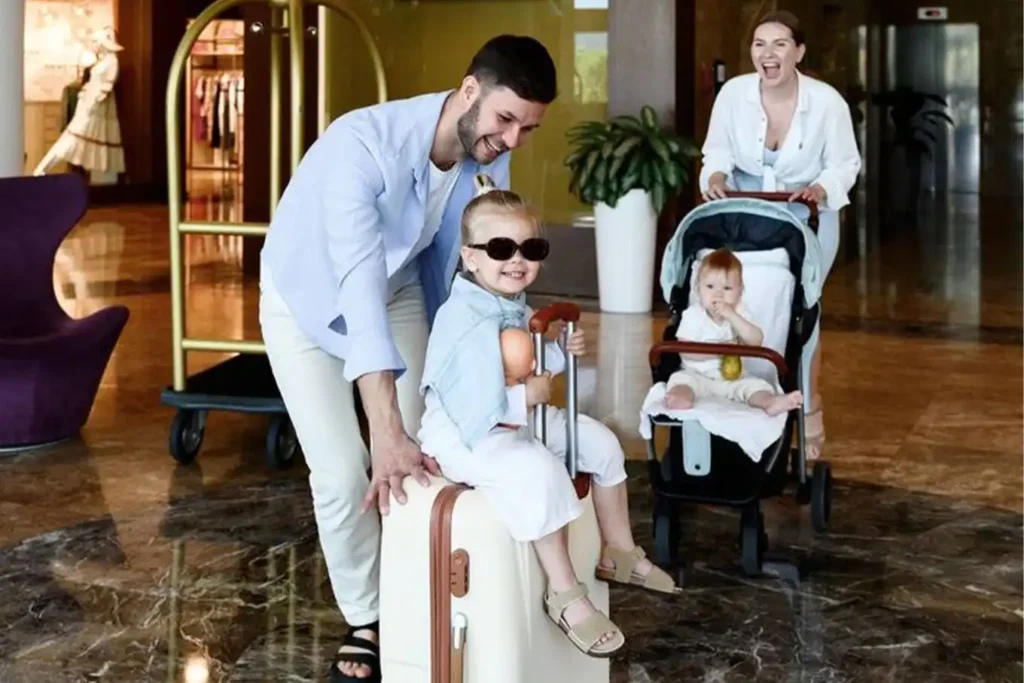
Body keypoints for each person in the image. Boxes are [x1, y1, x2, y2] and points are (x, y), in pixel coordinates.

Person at [258, 36, 557, 683]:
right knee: (345, 470)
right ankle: (368, 616)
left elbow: (464, 271)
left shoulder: (487, 158)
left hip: (395, 289)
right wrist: (385, 428)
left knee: (441, 440)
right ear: (470, 91)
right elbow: (356, 290)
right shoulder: (358, 147)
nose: (511, 140)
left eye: (527, 129)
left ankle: (420, 589)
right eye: (506, 120)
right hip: (306, 299)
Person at [417, 174, 681, 659]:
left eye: (530, 248)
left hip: (514, 419)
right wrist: (526, 399)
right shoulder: (465, 317)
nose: (516, 260)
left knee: (599, 443)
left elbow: (529, 367)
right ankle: (563, 590)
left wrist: (558, 351)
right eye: (500, 248)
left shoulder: (507, 303)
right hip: (465, 435)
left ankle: (617, 549)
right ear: (470, 257)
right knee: (536, 470)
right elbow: (471, 398)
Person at [698, 10, 861, 460]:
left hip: (806, 217)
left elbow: (845, 164)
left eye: (780, 44)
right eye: (759, 44)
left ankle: (809, 412)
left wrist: (822, 188)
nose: (767, 55)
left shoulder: (826, 103)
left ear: (799, 52)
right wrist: (714, 175)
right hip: (746, 218)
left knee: (800, 312)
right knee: (736, 302)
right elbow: (717, 150)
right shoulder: (733, 95)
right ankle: (735, 397)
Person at [664, 248, 803, 415]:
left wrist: (732, 315)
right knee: (680, 381)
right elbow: (686, 351)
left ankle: (769, 402)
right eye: (710, 286)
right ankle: (681, 397)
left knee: (756, 385)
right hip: (697, 375)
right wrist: (720, 351)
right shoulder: (693, 315)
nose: (718, 294)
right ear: (698, 288)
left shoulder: (740, 314)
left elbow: (756, 340)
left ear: (740, 292)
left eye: (727, 288)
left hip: (733, 379)